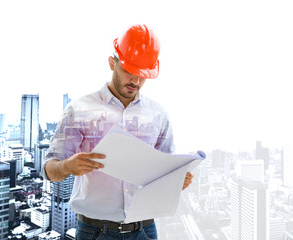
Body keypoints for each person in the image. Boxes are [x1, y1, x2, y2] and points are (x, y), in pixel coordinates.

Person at [42, 24, 194, 240]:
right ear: (112, 62)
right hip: (95, 232)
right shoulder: (80, 109)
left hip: (145, 231)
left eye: (143, 74)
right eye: (129, 71)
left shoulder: (158, 115)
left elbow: (164, 172)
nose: (136, 81)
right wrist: (67, 166)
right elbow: (49, 170)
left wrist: (176, 182)